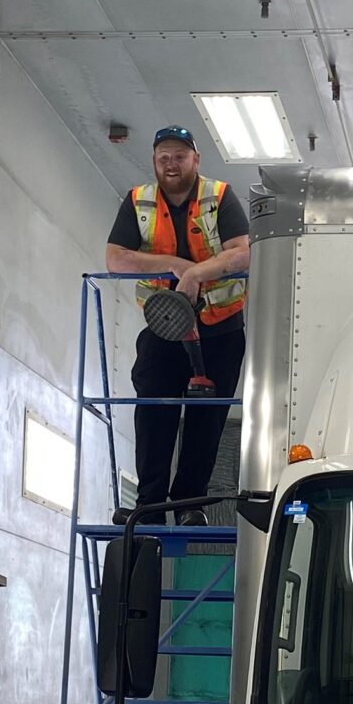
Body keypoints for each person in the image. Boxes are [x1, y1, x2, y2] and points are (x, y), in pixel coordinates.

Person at [103, 124, 250, 520]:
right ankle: (149, 506)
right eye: (164, 157)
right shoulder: (138, 201)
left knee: (207, 419)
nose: (172, 164)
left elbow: (242, 253)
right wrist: (173, 264)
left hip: (220, 328)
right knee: (153, 407)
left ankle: (189, 504)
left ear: (195, 160)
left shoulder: (219, 196)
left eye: (180, 157)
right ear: (154, 161)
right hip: (164, 326)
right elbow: (116, 259)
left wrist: (197, 273)